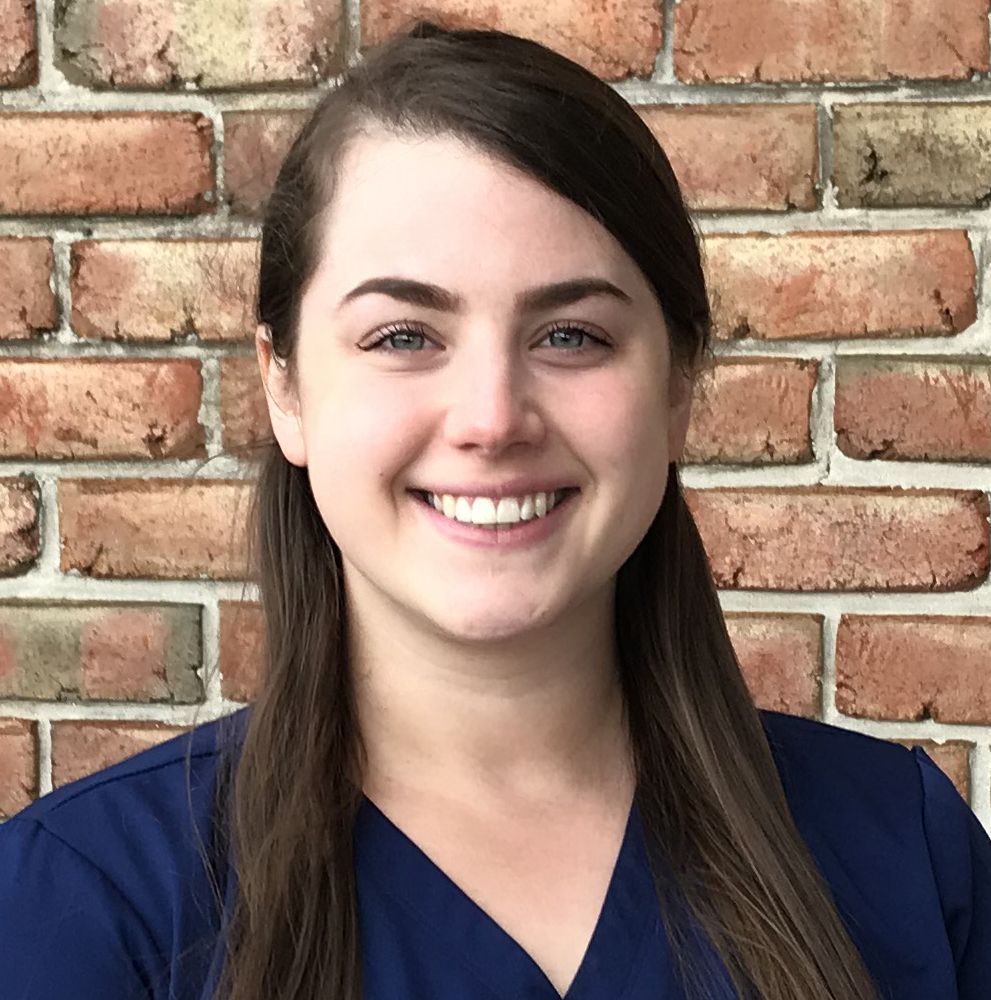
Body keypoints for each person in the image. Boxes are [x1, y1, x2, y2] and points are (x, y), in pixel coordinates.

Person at [1, 20, 989, 1000]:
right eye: (400, 336)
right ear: (285, 387)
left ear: (680, 382)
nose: (491, 418)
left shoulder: (907, 855)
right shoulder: (88, 903)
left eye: (569, 334)